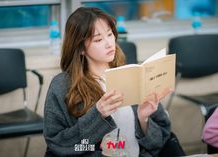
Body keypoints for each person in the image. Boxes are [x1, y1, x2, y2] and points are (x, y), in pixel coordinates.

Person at [43, 7, 172, 157]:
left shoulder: (130, 74)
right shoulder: (63, 85)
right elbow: (58, 143)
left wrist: (143, 118)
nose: (109, 43)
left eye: (110, 34)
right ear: (80, 49)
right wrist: (98, 115)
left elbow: (162, 139)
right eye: (98, 39)